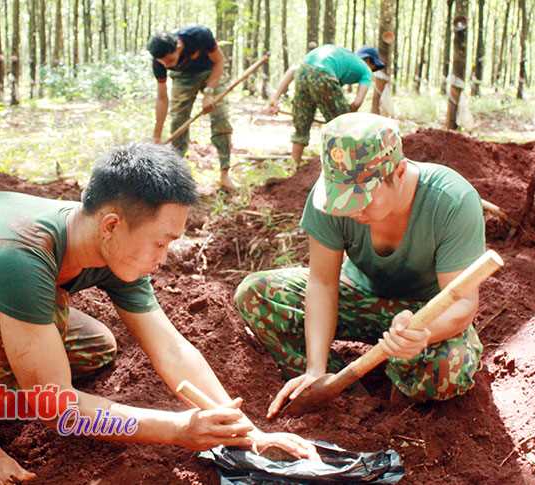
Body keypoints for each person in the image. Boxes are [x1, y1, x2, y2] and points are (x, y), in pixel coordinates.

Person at [0, 143, 317, 485]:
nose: (165, 255)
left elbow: (171, 346)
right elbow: (58, 410)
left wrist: (244, 432)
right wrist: (178, 429)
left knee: (97, 345)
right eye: (162, 241)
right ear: (113, 224)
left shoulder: (107, 243)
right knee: (48, 317)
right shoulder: (19, 257)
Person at [234, 113, 486, 418]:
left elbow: (462, 303)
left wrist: (421, 334)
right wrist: (316, 368)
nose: (352, 210)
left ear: (400, 172)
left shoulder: (452, 201)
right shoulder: (329, 200)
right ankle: (345, 392)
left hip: (424, 316)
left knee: (448, 367)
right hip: (356, 298)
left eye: (363, 199)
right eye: (343, 199)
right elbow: (323, 283)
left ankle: (401, 390)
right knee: (256, 294)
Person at [147, 26, 236, 191]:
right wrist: (157, 136)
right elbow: (162, 98)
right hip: (183, 78)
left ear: (178, 47)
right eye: (163, 62)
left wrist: (209, 92)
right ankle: (177, 177)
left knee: (220, 117)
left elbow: (219, 61)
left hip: (211, 71)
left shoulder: (199, 35)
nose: (166, 64)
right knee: (178, 121)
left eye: (170, 60)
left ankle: (225, 174)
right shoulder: (158, 62)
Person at [266, 46, 386, 164]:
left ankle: (293, 166)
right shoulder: (365, 70)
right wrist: (344, 117)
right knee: (342, 129)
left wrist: (275, 98)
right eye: (374, 67)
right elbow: (357, 102)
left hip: (303, 71)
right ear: (369, 60)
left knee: (301, 125)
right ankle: (341, 168)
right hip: (324, 73)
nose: (373, 71)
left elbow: (293, 70)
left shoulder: (342, 58)